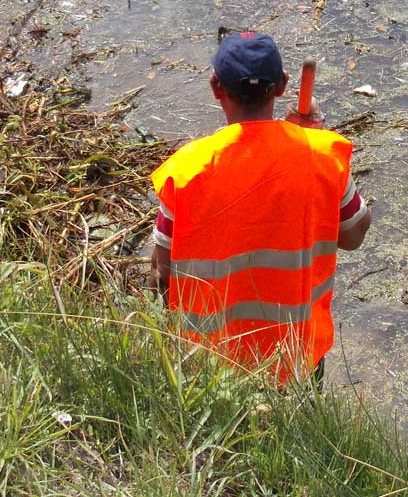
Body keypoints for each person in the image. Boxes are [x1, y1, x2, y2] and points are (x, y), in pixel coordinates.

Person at [149, 32, 371, 384]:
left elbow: (162, 275)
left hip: (210, 364)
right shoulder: (322, 157)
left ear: (215, 87)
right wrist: (307, 139)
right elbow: (354, 234)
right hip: (296, 358)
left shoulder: (187, 170)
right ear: (282, 85)